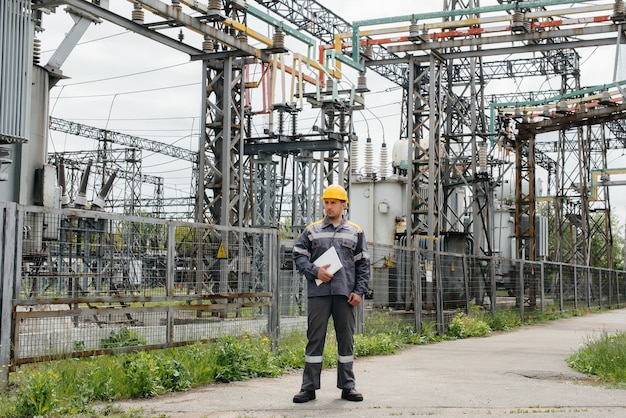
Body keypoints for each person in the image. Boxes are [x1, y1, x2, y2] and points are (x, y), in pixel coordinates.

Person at [292, 184, 370, 403]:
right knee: (314, 339)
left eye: (333, 203)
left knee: (346, 340)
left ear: (343, 205)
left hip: (345, 294)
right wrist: (315, 271)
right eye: (326, 203)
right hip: (319, 293)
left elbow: (363, 264)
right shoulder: (312, 230)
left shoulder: (355, 231)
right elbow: (298, 256)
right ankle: (308, 388)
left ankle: (348, 386)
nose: (329, 207)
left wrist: (359, 291)